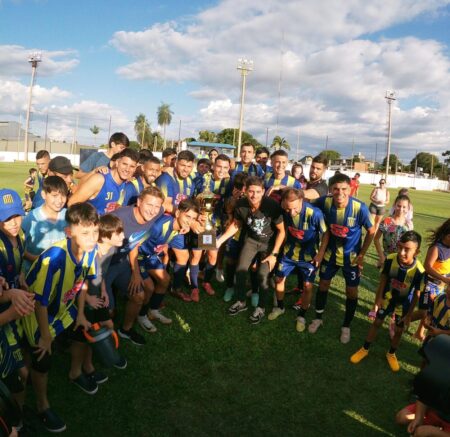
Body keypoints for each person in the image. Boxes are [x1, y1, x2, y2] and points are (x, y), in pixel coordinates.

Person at [23, 203, 99, 433]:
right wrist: (46, 336)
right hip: (37, 314)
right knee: (42, 355)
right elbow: (39, 301)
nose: (92, 238)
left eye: (95, 231)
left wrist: (82, 314)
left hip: (64, 308)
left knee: (84, 330)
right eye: (85, 233)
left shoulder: (91, 250)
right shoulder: (55, 257)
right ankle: (42, 405)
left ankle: (75, 372)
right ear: (69, 232)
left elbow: (82, 283)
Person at [310, 173, 375, 343]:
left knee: (351, 292)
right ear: (331, 189)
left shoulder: (359, 208)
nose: (340, 193)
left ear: (350, 189)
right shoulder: (325, 202)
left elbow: (372, 231)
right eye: (336, 189)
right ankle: (318, 318)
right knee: (323, 284)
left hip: (351, 259)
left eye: (344, 189)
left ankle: (346, 326)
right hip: (329, 255)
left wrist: (361, 255)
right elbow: (307, 205)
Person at [350, 231, 424, 372]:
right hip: (387, 299)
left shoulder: (419, 271)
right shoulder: (390, 259)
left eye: (407, 249)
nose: (401, 252)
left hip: (403, 305)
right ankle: (364, 348)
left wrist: (409, 314)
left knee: (399, 330)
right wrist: (378, 300)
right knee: (377, 322)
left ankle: (391, 353)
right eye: (400, 247)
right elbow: (383, 280)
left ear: (417, 251)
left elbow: (417, 294)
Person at [217, 176, 285, 324]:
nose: (254, 195)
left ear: (263, 191)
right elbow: (236, 225)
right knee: (240, 270)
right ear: (245, 190)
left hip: (268, 244)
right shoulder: (241, 204)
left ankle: (261, 308)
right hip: (251, 240)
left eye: (258, 192)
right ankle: (241, 302)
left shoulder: (272, 205)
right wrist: (219, 241)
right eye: (251, 191)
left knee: (262, 275)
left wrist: (274, 253)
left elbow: (282, 231)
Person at [107, 187, 164, 345]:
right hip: (101, 265)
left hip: (122, 261)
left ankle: (125, 330)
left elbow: (134, 244)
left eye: (156, 206)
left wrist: (136, 273)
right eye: (149, 205)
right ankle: (100, 339)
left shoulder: (156, 212)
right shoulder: (119, 217)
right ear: (139, 202)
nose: (153, 211)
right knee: (107, 310)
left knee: (139, 296)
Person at [0, 189, 35, 432]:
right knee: (17, 375)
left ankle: (18, 416)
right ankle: (12, 418)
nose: (13, 223)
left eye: (17, 216)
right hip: (5, 312)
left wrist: (20, 279)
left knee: (22, 373)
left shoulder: (19, 237)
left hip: (14, 308)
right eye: (6, 219)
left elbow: (19, 262)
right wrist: (9, 294)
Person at [270, 188, 328, 332]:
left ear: (302, 200)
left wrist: (320, 253)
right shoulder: (284, 208)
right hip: (289, 254)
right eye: (288, 208)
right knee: (278, 279)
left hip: (308, 257)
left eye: (294, 208)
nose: (291, 212)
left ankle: (302, 316)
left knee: (308, 286)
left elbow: (326, 234)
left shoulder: (315, 213)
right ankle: (280, 307)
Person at [137, 199, 199, 331]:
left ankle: (153, 310)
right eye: (187, 216)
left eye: (193, 218)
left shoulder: (181, 229)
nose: (190, 221)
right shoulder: (159, 226)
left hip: (152, 257)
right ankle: (141, 316)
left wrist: (165, 247)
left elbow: (167, 241)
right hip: (139, 257)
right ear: (177, 213)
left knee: (165, 280)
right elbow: (136, 244)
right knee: (149, 286)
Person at [188, 154, 231, 301]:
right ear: (213, 166)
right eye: (219, 166)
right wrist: (194, 217)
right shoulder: (202, 179)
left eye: (225, 167)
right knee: (197, 255)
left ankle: (206, 281)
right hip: (202, 223)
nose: (221, 170)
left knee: (213, 256)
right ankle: (194, 287)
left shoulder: (229, 182)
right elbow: (191, 199)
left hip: (217, 224)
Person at [368, 194, 413, 323]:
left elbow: (410, 244)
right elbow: (376, 239)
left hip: (401, 260)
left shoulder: (409, 224)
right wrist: (382, 256)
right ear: (394, 205)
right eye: (399, 206)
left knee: (397, 287)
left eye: (404, 207)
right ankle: (375, 307)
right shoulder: (387, 221)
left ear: (408, 208)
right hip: (388, 258)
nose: (401, 209)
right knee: (383, 284)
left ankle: (393, 311)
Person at [69, 148, 139, 214]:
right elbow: (71, 203)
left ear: (135, 168)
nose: (127, 169)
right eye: (124, 164)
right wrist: (90, 222)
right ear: (117, 163)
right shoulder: (100, 179)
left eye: (132, 166)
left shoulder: (126, 184)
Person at [21, 176, 68, 274]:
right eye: (54, 195)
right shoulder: (32, 217)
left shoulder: (68, 216)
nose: (60, 200)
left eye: (63, 195)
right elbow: (20, 248)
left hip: (58, 274)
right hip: (34, 274)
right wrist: (40, 261)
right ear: (43, 194)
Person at [414, 218, 450, 340]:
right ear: (446, 234)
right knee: (423, 312)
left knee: (431, 311)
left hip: (441, 287)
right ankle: (400, 321)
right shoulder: (437, 248)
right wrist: (445, 280)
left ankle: (419, 332)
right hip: (429, 284)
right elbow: (427, 267)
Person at [156, 150, 196, 214]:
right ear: (176, 163)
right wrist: (183, 215)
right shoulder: (165, 179)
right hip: (165, 218)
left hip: (181, 218)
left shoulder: (190, 182)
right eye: (183, 165)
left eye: (189, 166)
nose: (185, 169)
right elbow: (166, 205)